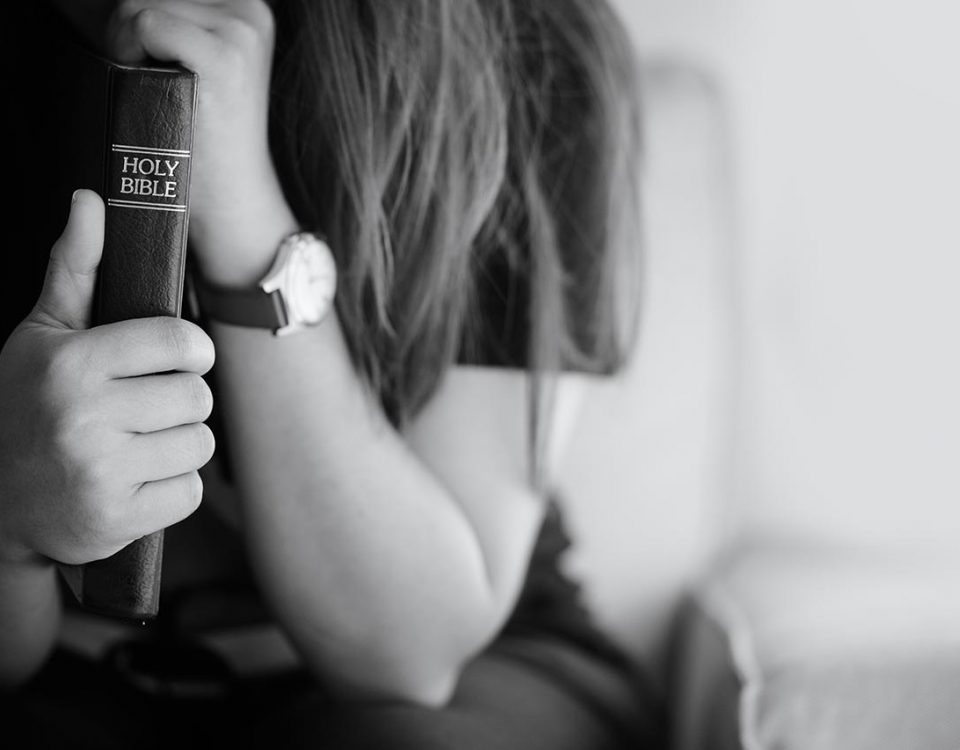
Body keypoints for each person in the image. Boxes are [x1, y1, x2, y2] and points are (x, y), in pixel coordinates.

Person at [0, 0, 665, 747]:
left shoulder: (523, 47)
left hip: (467, 668)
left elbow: (408, 654)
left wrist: (247, 222)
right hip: (63, 665)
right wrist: (10, 529)